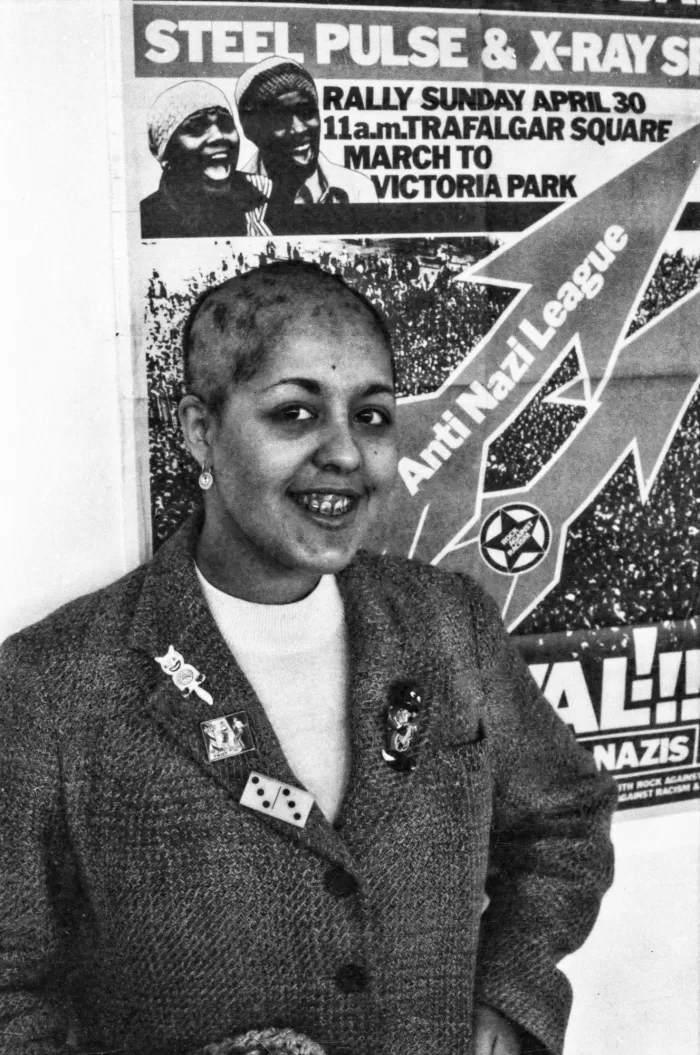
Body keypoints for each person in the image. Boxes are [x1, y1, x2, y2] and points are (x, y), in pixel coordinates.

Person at [0, 262, 616, 1055]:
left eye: (372, 416)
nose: (345, 453)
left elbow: (564, 822)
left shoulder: (448, 624)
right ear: (199, 429)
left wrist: (510, 992)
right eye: (295, 413)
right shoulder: (53, 684)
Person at [235, 58, 377, 210]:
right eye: (280, 119)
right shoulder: (232, 197)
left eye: (306, 112)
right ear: (252, 131)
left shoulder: (358, 189)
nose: (299, 129)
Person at [141, 80, 272, 238]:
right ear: (165, 154)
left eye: (225, 123)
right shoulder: (146, 219)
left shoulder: (266, 195)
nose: (218, 136)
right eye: (196, 128)